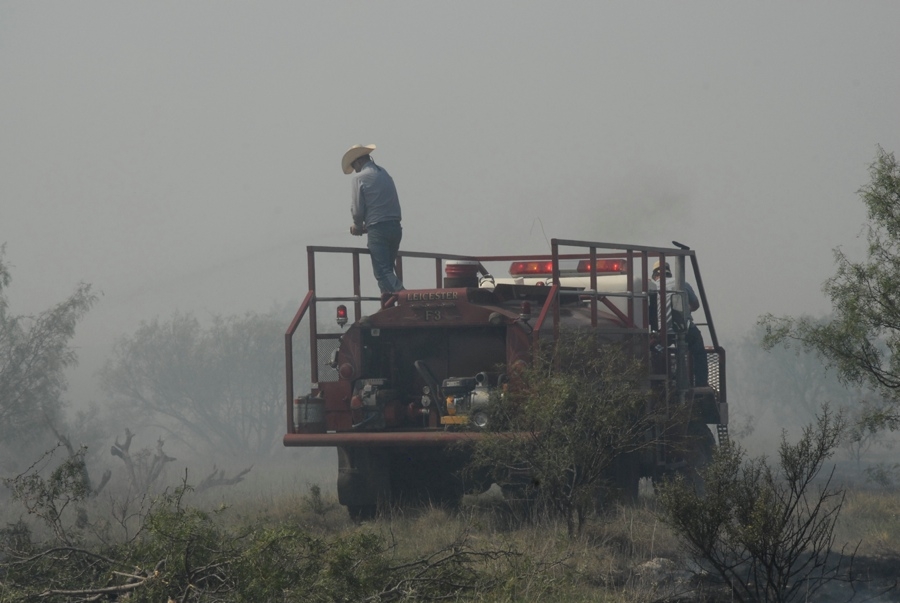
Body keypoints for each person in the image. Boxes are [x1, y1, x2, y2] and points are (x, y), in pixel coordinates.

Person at [342, 144, 405, 294]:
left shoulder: (359, 178)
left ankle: (406, 297)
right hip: (395, 227)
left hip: (378, 230)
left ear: (358, 162)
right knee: (388, 271)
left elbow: (357, 210)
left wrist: (357, 226)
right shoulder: (384, 173)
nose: (355, 170)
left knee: (382, 272)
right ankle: (388, 308)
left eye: (354, 166)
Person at [652, 260, 708, 387]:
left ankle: (664, 379)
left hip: (663, 333)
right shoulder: (683, 284)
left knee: (657, 350)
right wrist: (683, 309)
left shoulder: (652, 287)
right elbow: (695, 305)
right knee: (698, 350)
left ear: (655, 275)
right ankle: (700, 384)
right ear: (669, 273)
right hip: (685, 330)